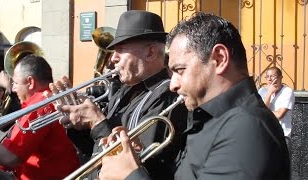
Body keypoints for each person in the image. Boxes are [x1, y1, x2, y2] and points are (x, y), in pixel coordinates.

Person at [98, 12, 291, 180]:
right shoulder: (210, 118)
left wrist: (130, 174)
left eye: (180, 70)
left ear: (219, 59)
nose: (173, 84)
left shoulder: (247, 127)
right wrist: (137, 159)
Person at [53, 10, 187, 179]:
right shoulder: (122, 91)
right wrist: (80, 126)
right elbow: (95, 149)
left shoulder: (166, 95)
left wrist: (97, 122)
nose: (113, 58)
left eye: (121, 49)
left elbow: (138, 166)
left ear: (150, 53)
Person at [0, 54, 80, 180]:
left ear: (30, 82)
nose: (13, 89)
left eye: (15, 83)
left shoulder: (40, 104)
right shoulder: (48, 98)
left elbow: (11, 157)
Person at [258, 67, 295, 137]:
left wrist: (263, 112)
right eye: (267, 76)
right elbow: (259, 113)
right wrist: (269, 93)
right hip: (264, 133)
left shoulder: (287, 91)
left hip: (281, 135)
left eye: (272, 76)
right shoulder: (262, 91)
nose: (269, 79)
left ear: (280, 77)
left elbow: (279, 115)